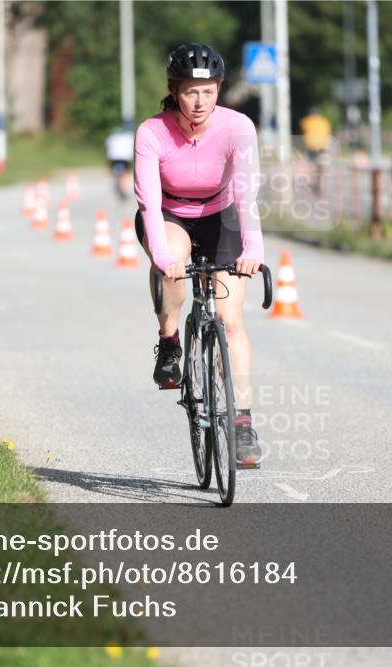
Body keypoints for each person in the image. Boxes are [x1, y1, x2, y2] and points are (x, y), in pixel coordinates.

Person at [133, 43, 265, 465]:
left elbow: (246, 195)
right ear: (174, 91)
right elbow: (149, 202)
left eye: (208, 92)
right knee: (173, 258)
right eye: (191, 91)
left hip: (221, 215)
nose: (200, 101)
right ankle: (170, 341)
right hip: (169, 215)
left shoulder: (237, 126)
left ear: (219, 90)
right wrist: (162, 258)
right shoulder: (152, 132)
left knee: (230, 318)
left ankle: (242, 423)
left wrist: (253, 249)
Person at [300, 107, 332, 193]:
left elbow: (303, 131)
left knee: (311, 166)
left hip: (311, 147)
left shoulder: (306, 121)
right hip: (322, 147)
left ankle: (311, 184)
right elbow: (328, 134)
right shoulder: (324, 121)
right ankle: (321, 186)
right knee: (321, 167)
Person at [105, 127, 135, 199]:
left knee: (117, 173)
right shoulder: (128, 137)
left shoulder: (111, 137)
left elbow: (107, 148)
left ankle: (119, 187)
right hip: (125, 158)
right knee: (124, 174)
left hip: (114, 157)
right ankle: (123, 188)